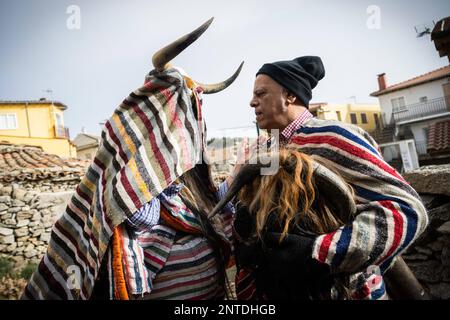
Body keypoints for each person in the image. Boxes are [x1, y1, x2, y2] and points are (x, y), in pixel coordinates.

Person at [230, 56, 428, 300]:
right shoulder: (267, 151)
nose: (252, 102)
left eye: (261, 93)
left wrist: (317, 253)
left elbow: (407, 211)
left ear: (289, 96)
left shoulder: (333, 137)